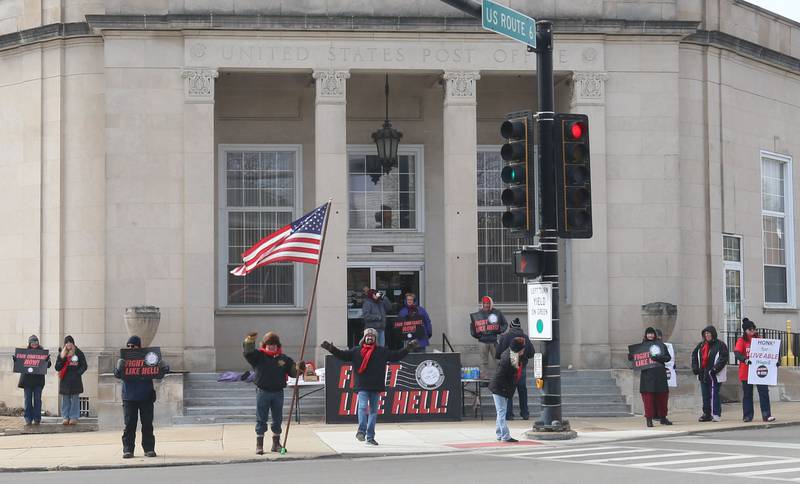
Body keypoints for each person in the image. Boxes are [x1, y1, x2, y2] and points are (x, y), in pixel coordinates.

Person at [321, 328, 417, 446]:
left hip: (376, 385)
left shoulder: (381, 351)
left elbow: (395, 356)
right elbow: (343, 355)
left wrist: (408, 348)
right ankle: (361, 431)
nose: (370, 337)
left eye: (372, 336)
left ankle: (370, 436)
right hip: (362, 385)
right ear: (364, 338)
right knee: (362, 407)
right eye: (368, 335)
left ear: (375, 339)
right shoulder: (356, 351)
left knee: (373, 412)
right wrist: (332, 349)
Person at [243, 331, 304, 455]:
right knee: (261, 419)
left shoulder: (284, 359)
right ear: (265, 345)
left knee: (277, 419)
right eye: (269, 344)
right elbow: (248, 353)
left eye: (274, 344)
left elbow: (293, 372)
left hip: (278, 392)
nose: (272, 346)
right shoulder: (258, 356)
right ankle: (259, 445)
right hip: (263, 392)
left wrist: (299, 368)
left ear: (278, 345)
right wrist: (249, 341)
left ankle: (276, 444)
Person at [114, 335, 170, 458]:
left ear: (139, 347)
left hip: (146, 396)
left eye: (133, 346)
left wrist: (163, 367)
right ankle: (128, 449)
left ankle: (149, 448)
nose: (130, 348)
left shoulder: (148, 358)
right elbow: (117, 375)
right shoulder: (124, 359)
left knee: (147, 424)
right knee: (129, 425)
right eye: (128, 346)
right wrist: (119, 368)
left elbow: (158, 374)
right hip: (129, 397)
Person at [735, 318, 776, 423]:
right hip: (746, 372)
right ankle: (748, 416)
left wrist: (775, 362)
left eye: (754, 329)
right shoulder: (741, 340)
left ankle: (766, 415)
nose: (753, 331)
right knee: (748, 394)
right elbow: (737, 353)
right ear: (745, 331)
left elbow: (768, 353)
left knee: (764, 393)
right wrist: (745, 359)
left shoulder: (760, 340)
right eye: (750, 329)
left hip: (760, 371)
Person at [629, 327, 672, 427]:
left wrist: (658, 357)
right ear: (646, 335)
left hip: (660, 375)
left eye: (652, 333)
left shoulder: (661, 345)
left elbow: (668, 357)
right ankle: (649, 419)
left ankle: (663, 417)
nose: (650, 335)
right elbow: (635, 359)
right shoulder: (641, 347)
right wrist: (631, 356)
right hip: (647, 376)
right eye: (648, 334)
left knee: (662, 397)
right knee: (648, 398)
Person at [489, 337, 527, 443]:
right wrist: (506, 389)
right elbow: (501, 376)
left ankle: (499, 434)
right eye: (522, 349)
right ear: (518, 349)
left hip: (501, 387)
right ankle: (505, 436)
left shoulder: (513, 355)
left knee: (500, 412)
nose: (524, 351)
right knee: (501, 412)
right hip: (499, 388)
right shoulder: (508, 359)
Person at [495, 318, 534, 420]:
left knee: (508, 390)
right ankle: (525, 413)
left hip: (508, 368)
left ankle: (509, 414)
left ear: (511, 327)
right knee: (522, 390)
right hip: (521, 367)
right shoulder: (525, 337)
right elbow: (531, 353)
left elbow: (498, 353)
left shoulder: (505, 337)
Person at [691, 325, 728, 422]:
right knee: (705, 395)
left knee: (714, 394)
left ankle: (716, 413)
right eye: (705, 334)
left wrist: (715, 369)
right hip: (703, 373)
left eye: (709, 333)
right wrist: (695, 367)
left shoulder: (720, 345)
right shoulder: (701, 345)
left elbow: (723, 358)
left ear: (713, 334)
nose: (707, 335)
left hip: (714, 374)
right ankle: (706, 413)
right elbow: (694, 355)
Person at [11, 335, 51, 426]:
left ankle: (37, 418)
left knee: (37, 400)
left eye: (36, 342)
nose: (34, 344)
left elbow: (48, 365)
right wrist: (16, 360)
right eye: (32, 343)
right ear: (29, 343)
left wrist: (47, 360)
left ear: (38, 343)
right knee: (28, 400)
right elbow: (20, 364)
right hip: (27, 381)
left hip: (38, 381)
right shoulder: (24, 352)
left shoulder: (42, 352)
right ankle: (28, 418)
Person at [470, 296, 508, 378]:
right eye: (484, 303)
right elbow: (473, 327)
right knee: (483, 362)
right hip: (482, 342)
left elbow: (505, 324)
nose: (486, 305)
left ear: (490, 304)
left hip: (494, 341)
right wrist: (477, 335)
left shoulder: (497, 313)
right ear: (482, 304)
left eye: (487, 303)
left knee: (498, 361)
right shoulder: (478, 315)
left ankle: (500, 378)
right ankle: (484, 379)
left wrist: (500, 330)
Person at [54, 335, 87, 425]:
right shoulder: (62, 354)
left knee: (75, 399)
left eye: (70, 342)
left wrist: (78, 373)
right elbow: (57, 367)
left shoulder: (78, 353)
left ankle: (74, 417)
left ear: (73, 343)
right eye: (67, 343)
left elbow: (84, 365)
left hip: (75, 380)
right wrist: (63, 359)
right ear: (65, 344)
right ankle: (65, 417)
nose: (69, 344)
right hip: (65, 379)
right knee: (65, 399)